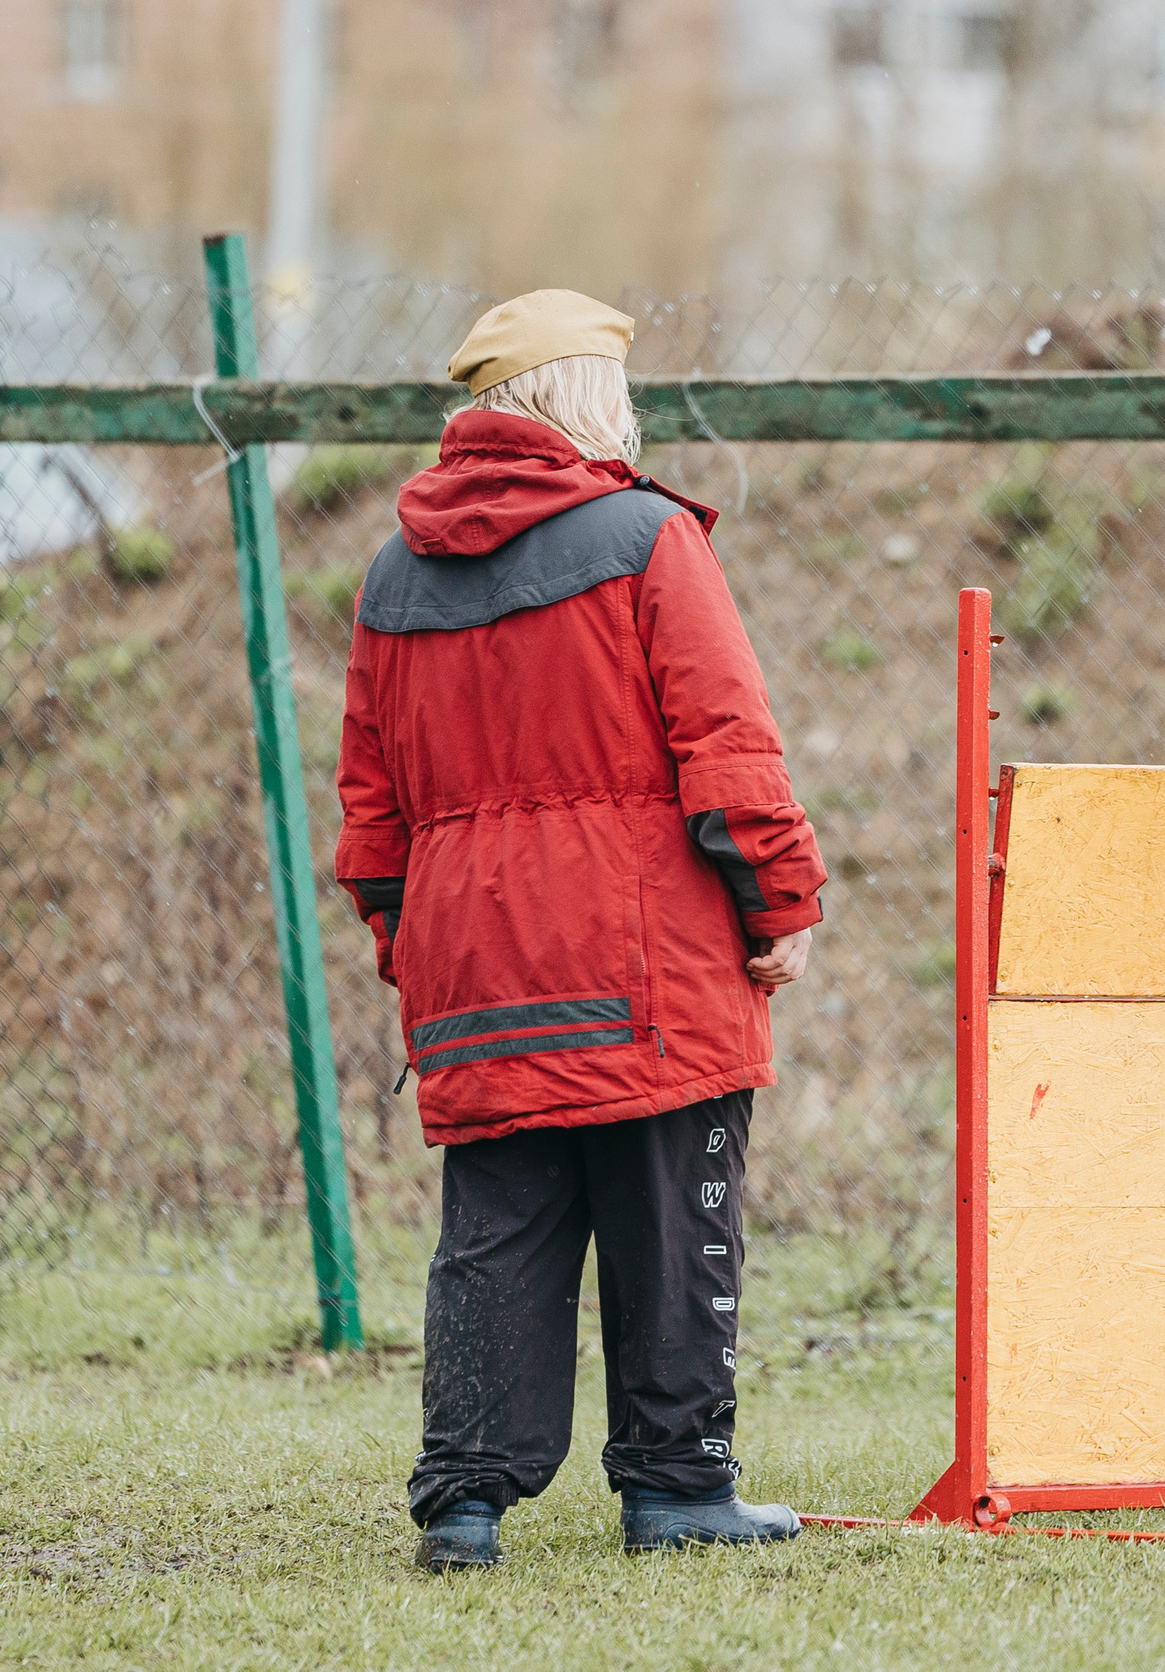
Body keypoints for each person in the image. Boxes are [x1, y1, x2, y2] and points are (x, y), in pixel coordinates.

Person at [334, 290, 827, 1568]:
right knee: (674, 1218)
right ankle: (675, 1490)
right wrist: (778, 904)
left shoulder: (392, 573)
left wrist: (418, 943)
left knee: (497, 1232)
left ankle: (464, 1501)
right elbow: (728, 743)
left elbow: (371, 808)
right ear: (584, 401)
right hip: (645, 965)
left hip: (475, 969)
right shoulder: (646, 537)